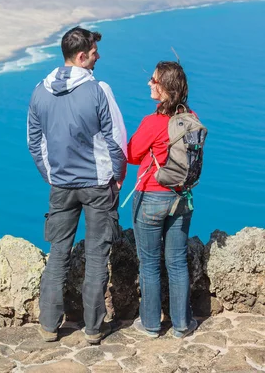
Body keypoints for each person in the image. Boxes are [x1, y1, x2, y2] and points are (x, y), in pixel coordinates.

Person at [27, 26, 127, 344]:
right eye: (95, 53)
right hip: (98, 185)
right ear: (82, 57)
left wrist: (52, 175)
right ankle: (94, 328)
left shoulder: (39, 91)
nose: (99, 57)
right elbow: (117, 141)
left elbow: (35, 142)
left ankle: (48, 324)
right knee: (97, 254)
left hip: (61, 185)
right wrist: (118, 175)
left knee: (58, 252)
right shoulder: (100, 90)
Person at [127, 61, 198, 339]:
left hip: (151, 197)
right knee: (178, 262)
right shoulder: (191, 117)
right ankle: (182, 324)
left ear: (165, 88)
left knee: (149, 263)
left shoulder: (153, 122)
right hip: (181, 198)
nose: (149, 83)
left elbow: (132, 155)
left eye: (154, 80)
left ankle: (151, 324)